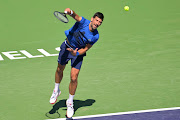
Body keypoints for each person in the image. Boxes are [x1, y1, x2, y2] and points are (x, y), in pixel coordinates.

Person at [49, 8, 104, 118]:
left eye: (100, 22)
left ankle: (70, 103)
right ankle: (56, 90)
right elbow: (75, 16)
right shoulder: (84, 22)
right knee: (60, 69)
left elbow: (86, 48)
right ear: (92, 19)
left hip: (77, 53)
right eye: (97, 20)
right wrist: (70, 12)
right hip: (66, 47)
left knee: (74, 78)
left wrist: (77, 53)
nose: (97, 23)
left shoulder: (95, 36)